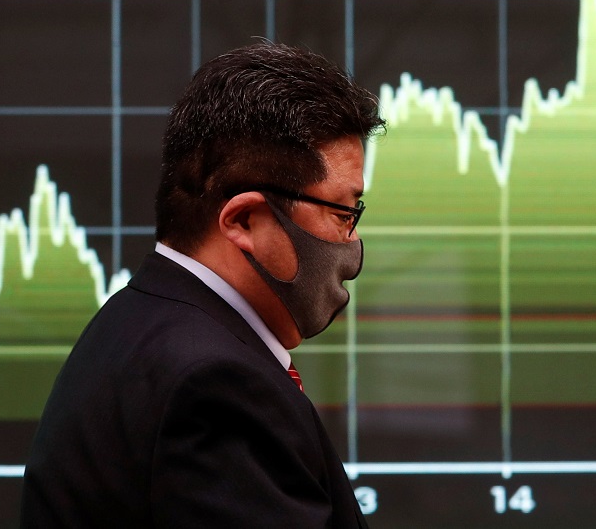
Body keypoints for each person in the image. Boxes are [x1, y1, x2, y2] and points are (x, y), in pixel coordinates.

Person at [20, 41, 385, 527]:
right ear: (246, 220)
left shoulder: (140, 322)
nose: (353, 239)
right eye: (344, 211)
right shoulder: (215, 385)